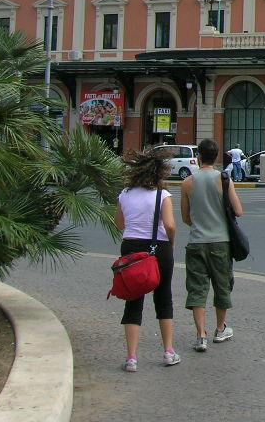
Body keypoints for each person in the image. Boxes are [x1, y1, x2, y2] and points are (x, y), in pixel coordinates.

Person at [115, 150, 179, 371]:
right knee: (164, 297)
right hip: (158, 247)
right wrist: (171, 243)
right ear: (159, 173)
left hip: (131, 247)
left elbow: (119, 224)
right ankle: (168, 352)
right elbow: (170, 225)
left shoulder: (125, 194)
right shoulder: (163, 196)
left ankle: (132, 357)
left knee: (133, 299)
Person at [181, 138, 243, 354]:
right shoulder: (224, 180)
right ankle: (220, 329)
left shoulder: (187, 182)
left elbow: (186, 218)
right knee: (222, 284)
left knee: (197, 288)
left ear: (198, 156)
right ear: (216, 157)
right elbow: (238, 210)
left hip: (196, 242)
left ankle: (201, 335)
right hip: (221, 242)